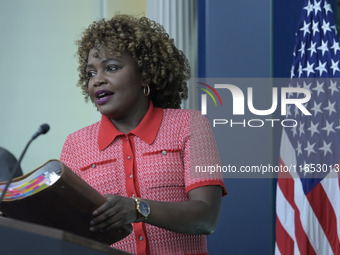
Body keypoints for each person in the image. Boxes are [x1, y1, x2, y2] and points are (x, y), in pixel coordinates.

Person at [60, 14, 227, 255]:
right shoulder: (75, 145)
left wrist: (138, 208)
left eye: (111, 68)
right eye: (90, 73)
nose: (97, 80)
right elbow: (69, 228)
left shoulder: (189, 124)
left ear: (145, 73)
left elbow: (206, 216)